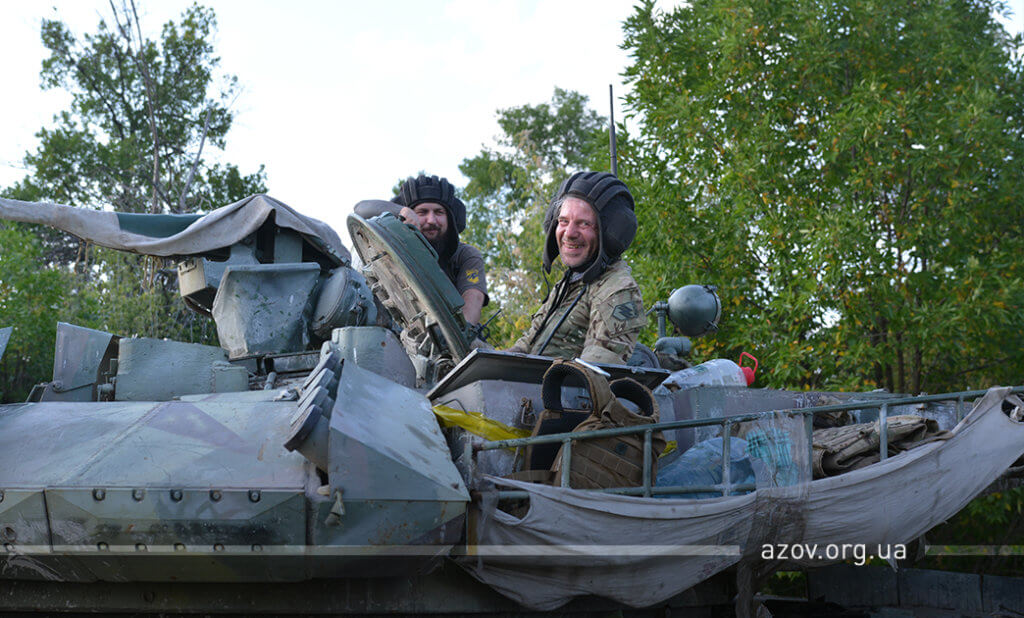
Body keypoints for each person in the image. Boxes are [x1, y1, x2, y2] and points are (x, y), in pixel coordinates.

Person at [508, 171, 646, 364]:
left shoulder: (618, 291)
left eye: (584, 224)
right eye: (563, 221)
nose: (569, 233)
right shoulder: (568, 284)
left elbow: (595, 370)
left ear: (609, 234)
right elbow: (525, 346)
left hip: (561, 384)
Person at [354, 175, 488, 324]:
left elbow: (474, 299)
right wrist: (401, 211)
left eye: (439, 212)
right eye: (422, 212)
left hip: (443, 332)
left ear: (449, 219)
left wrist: (463, 330)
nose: (431, 220)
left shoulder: (465, 255)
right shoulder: (392, 249)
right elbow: (360, 210)